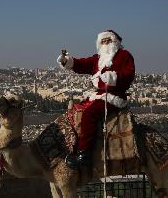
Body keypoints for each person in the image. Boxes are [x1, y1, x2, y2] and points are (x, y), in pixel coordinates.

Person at [57, 30, 135, 168]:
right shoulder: (98, 58)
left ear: (115, 41)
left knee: (89, 114)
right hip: (98, 95)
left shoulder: (125, 55)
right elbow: (82, 64)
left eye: (108, 40)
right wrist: (67, 61)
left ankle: (85, 154)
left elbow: (129, 75)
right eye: (103, 41)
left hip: (113, 96)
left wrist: (113, 77)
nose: (105, 43)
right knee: (76, 111)